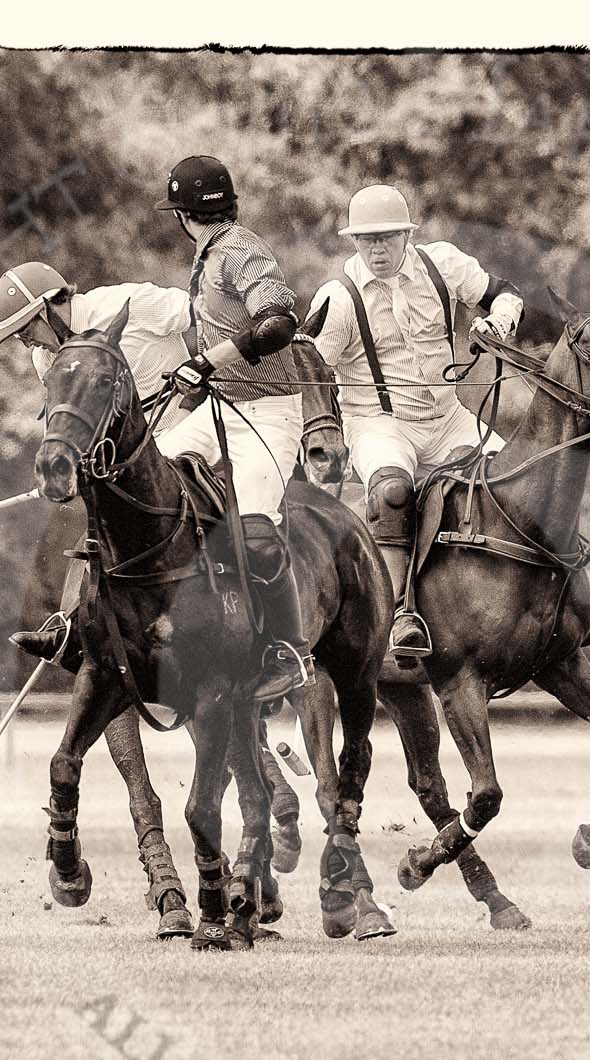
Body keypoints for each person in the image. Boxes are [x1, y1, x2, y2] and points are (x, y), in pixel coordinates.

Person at [306, 185, 524, 657]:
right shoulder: (338, 299)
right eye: (366, 240)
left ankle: (543, 605)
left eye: (386, 238)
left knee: (516, 485)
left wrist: (496, 325)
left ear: (406, 235)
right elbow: (311, 371)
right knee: (392, 493)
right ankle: (399, 615)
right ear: (354, 242)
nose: (376, 249)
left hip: (448, 418)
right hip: (379, 424)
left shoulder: (442, 264)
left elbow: (504, 293)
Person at [153, 154, 311, 702]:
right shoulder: (209, 255)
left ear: (182, 215)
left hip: (267, 411)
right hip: (216, 410)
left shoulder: (241, 250)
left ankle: (290, 650)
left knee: (256, 536)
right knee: (141, 477)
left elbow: (278, 325)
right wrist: (195, 382)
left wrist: (208, 360)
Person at [0, 260, 193, 669]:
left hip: (189, 431)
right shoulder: (48, 361)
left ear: (50, 308)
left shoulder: (128, 303)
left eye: (27, 330)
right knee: (102, 532)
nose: (27, 344)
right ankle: (70, 628)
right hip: (125, 472)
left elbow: (203, 312)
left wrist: (204, 372)